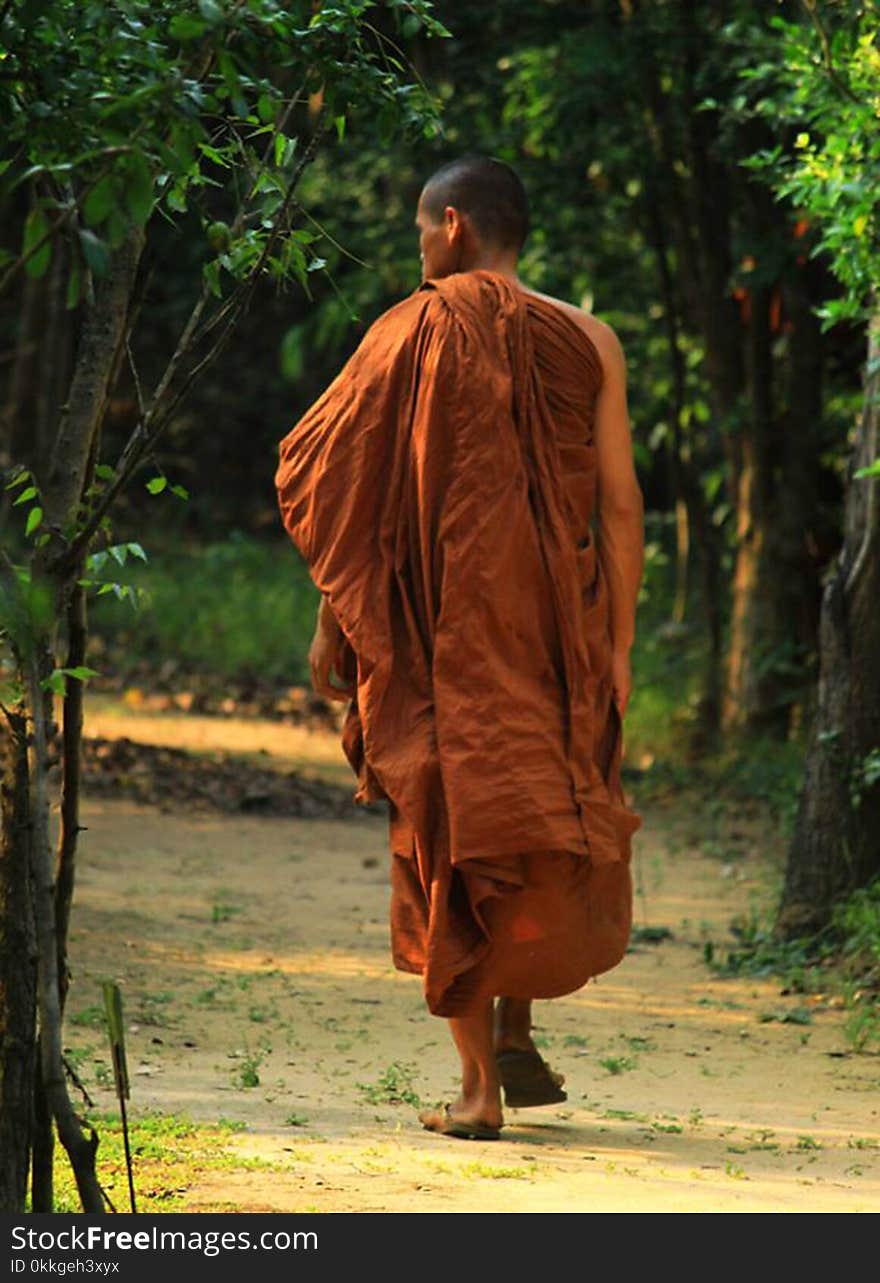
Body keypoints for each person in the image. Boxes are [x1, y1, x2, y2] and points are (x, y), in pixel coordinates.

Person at [275, 155, 644, 1141]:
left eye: (418, 232)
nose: (421, 250)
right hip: (559, 638)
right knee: (542, 815)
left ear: (450, 228)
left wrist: (337, 622)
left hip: (442, 637)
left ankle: (479, 1089)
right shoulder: (589, 340)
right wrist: (619, 642)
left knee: (454, 822)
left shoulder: (406, 333)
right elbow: (617, 503)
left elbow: (341, 491)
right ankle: (514, 1033)